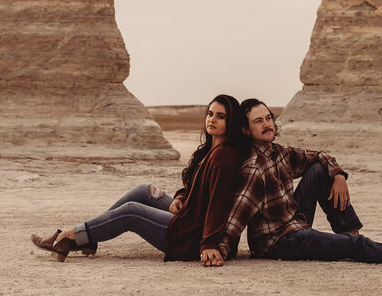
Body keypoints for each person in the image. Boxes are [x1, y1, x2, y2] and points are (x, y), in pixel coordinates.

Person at [203, 98, 382, 268]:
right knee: (356, 247)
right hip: (280, 241)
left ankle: (348, 232)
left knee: (318, 169)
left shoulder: (279, 152)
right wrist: (217, 248)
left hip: (294, 222)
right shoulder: (253, 167)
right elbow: (237, 215)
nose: (267, 124)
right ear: (246, 130)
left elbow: (319, 156)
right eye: (258, 121)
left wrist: (338, 176)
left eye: (269, 118)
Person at [30, 94, 250, 265]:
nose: (212, 119)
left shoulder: (224, 156)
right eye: (210, 113)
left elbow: (219, 203)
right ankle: (88, 238)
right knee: (145, 191)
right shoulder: (211, 150)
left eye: (220, 116)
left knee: (132, 211)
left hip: (191, 237)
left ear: (230, 123)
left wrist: (209, 244)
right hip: (188, 216)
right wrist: (182, 196)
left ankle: (68, 236)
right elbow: (195, 184)